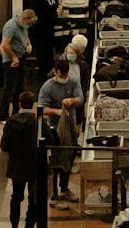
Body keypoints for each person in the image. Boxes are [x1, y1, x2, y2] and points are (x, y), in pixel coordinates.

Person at [39, 58, 84, 210]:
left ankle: (64, 189)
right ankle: (54, 195)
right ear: (55, 72)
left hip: (70, 128)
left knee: (69, 159)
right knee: (56, 162)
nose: (64, 78)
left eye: (66, 75)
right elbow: (42, 108)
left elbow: (80, 98)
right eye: (61, 75)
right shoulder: (47, 87)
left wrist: (72, 101)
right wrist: (56, 111)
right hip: (55, 130)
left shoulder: (73, 81)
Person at [2, 90, 39, 228]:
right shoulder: (37, 122)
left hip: (16, 166)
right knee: (33, 199)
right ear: (33, 105)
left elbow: (4, 145)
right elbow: (51, 139)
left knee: (16, 197)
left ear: (19, 104)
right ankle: (29, 225)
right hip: (33, 166)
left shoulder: (10, 121)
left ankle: (14, 225)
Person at [0, 9, 38, 122]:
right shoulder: (11, 26)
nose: (29, 26)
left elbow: (26, 35)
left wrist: (29, 44)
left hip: (21, 58)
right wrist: (14, 57)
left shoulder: (24, 25)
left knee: (20, 88)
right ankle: (2, 115)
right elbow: (5, 45)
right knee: (9, 89)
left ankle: (16, 113)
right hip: (11, 61)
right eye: (29, 23)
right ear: (25, 19)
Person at [22, 0, 59, 80]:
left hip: (40, 27)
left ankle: (43, 74)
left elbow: (30, 10)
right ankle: (51, 70)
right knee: (49, 50)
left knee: (41, 51)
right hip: (50, 26)